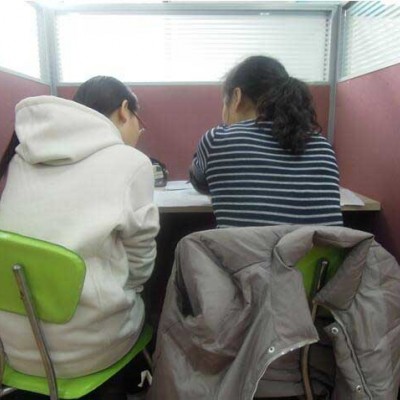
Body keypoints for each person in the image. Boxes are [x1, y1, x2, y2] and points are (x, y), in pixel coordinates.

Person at [0, 77, 159, 397]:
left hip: (16, 349)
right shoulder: (132, 162)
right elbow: (140, 265)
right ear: (124, 110)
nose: (139, 132)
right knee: (149, 304)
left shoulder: (22, 157)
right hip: (89, 353)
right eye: (139, 122)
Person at [190, 55, 343, 227]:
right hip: (316, 246)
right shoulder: (323, 147)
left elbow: (200, 183)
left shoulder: (217, 139)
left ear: (237, 97)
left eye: (225, 102)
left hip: (245, 246)